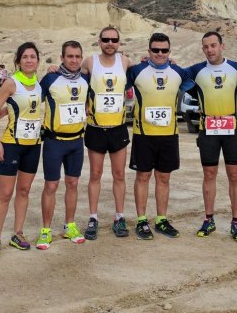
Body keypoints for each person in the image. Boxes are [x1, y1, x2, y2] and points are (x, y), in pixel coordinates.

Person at [127, 32, 193, 240]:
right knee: (143, 177)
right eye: (155, 50)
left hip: (169, 134)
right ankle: (141, 220)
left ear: (169, 51)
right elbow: (119, 80)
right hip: (144, 134)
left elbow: (190, 82)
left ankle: (162, 219)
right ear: (149, 51)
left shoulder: (178, 72)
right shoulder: (136, 70)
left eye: (164, 50)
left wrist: (174, 65)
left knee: (163, 177)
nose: (159, 53)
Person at [185, 32, 237, 241]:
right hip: (208, 128)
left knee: (234, 175)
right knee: (209, 174)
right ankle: (209, 219)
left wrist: (232, 110)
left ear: (222, 46)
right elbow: (176, 76)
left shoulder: (236, 68)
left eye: (213, 45)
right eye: (206, 47)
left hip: (232, 129)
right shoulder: (196, 70)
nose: (210, 50)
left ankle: (236, 222)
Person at [0, 42, 43, 257]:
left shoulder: (39, 84)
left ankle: (18, 234)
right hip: (11, 145)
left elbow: (20, 109)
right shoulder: (11, 83)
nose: (29, 60)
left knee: (24, 191)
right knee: (6, 193)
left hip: (33, 146)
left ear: (38, 60)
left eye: (33, 57)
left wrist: (8, 111)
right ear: (18, 61)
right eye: (25, 57)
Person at [82, 26, 134, 240]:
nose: (110, 43)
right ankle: (93, 218)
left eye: (114, 40)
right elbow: (72, 74)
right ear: (99, 41)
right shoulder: (89, 61)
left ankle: (119, 217)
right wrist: (54, 69)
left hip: (118, 128)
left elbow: (148, 68)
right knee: (95, 175)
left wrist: (170, 63)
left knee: (119, 175)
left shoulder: (125, 61)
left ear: (119, 42)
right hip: (96, 128)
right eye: (106, 39)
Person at [36, 41, 89, 249]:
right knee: (51, 185)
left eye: (77, 56)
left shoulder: (86, 79)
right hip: (53, 142)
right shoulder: (50, 78)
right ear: (62, 58)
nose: (74, 60)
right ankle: (46, 230)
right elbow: (32, 98)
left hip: (77, 141)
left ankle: (70, 226)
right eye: (70, 56)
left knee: (73, 184)